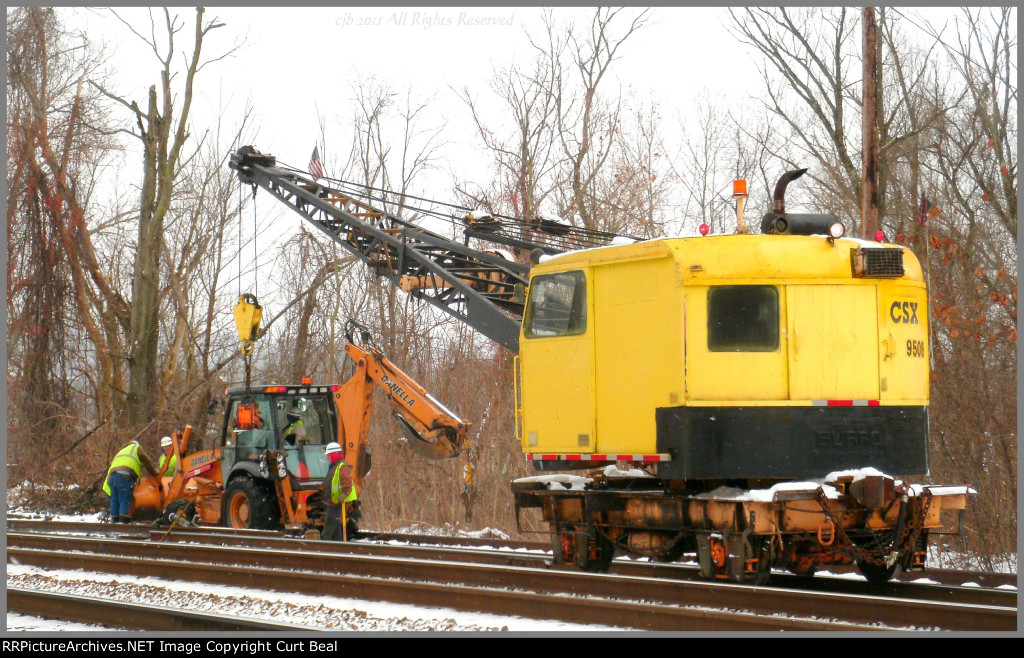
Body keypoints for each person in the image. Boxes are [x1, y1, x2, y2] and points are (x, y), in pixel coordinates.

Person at [102, 439, 157, 524]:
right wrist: (154, 473)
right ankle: (123, 523)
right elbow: (147, 462)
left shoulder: (121, 451)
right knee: (126, 499)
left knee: (115, 500)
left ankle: (114, 522)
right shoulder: (136, 447)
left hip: (112, 477)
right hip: (124, 476)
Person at [321, 442, 358, 541]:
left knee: (328, 530)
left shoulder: (342, 466)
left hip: (337, 503)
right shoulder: (334, 467)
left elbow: (347, 483)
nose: (327, 458)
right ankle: (338, 547)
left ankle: (323, 549)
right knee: (335, 528)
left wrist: (344, 494)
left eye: (329, 455)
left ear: (333, 455)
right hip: (333, 502)